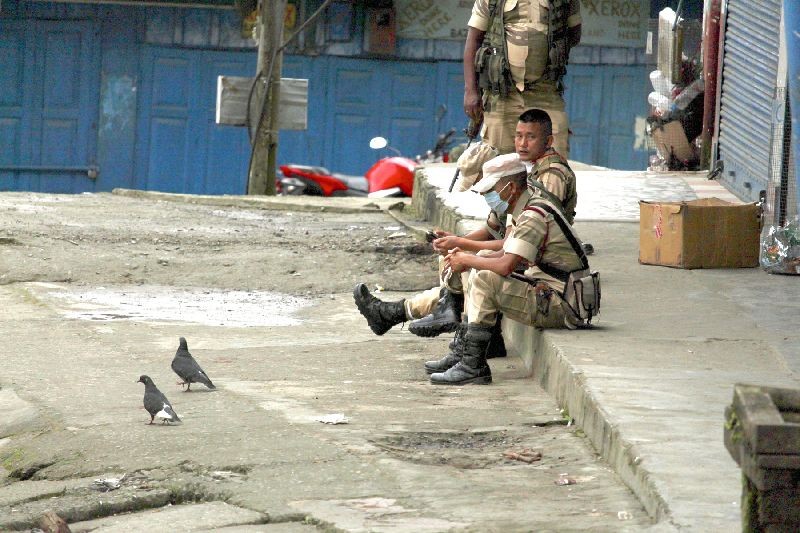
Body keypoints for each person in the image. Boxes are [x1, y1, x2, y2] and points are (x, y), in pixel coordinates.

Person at [427, 154, 592, 385]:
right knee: (481, 260)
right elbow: (504, 251)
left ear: (510, 188)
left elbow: (506, 265)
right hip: (557, 292)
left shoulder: (533, 216)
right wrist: (466, 254)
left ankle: (473, 364)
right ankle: (467, 353)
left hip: (564, 304)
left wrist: (467, 258)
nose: (486, 197)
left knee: (484, 277)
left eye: (490, 191)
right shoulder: (528, 207)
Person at [353, 141, 502, 336]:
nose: (477, 188)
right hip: (507, 258)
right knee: (454, 256)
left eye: (477, 181)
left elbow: (510, 246)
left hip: (525, 269)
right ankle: (396, 313)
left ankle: (400, 314)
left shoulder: (512, 193)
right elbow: (490, 229)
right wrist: (456, 240)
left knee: (467, 265)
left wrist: (460, 244)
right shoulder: (499, 195)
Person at [464, 0, 582, 157]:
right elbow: (474, 40)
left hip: (546, 92)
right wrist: (470, 91)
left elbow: (573, 35)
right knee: (498, 166)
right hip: (502, 94)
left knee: (555, 162)